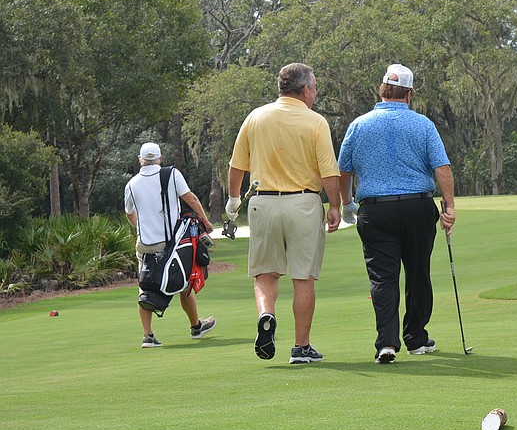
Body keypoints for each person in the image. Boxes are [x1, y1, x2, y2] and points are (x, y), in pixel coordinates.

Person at [338, 63, 456, 364]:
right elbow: (441, 166)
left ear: (382, 89)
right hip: (417, 207)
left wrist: (346, 202)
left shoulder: (359, 124)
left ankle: (386, 344)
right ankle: (416, 338)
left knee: (383, 277)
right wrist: (449, 205)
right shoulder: (423, 124)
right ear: (409, 94)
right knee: (418, 273)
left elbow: (344, 169)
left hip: (376, 210)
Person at [226, 62, 341, 364]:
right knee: (303, 278)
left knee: (266, 274)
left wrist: (232, 199)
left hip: (263, 202)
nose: (314, 94)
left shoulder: (256, 117)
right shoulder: (315, 122)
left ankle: (266, 314)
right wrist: (336, 205)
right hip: (303, 203)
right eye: (314, 88)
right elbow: (329, 172)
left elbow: (236, 165)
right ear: (305, 90)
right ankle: (301, 348)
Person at [124, 142, 217, 348]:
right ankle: (195, 327)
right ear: (160, 158)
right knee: (183, 282)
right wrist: (206, 221)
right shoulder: (171, 174)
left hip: (145, 243)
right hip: (171, 242)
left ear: (140, 160)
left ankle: (148, 336)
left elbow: (130, 212)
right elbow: (190, 198)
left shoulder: (131, 183)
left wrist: (141, 227)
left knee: (145, 284)